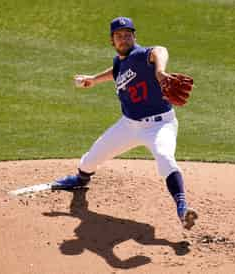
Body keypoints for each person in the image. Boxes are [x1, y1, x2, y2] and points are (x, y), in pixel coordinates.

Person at [51, 17, 198, 229]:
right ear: (112, 41)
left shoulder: (141, 54)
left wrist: (159, 71)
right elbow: (117, 71)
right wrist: (93, 79)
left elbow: (160, 49)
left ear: (134, 36)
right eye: (119, 36)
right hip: (129, 125)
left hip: (159, 125)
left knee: (165, 158)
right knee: (90, 160)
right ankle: (81, 180)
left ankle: (183, 209)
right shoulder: (120, 61)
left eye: (128, 34)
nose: (124, 38)